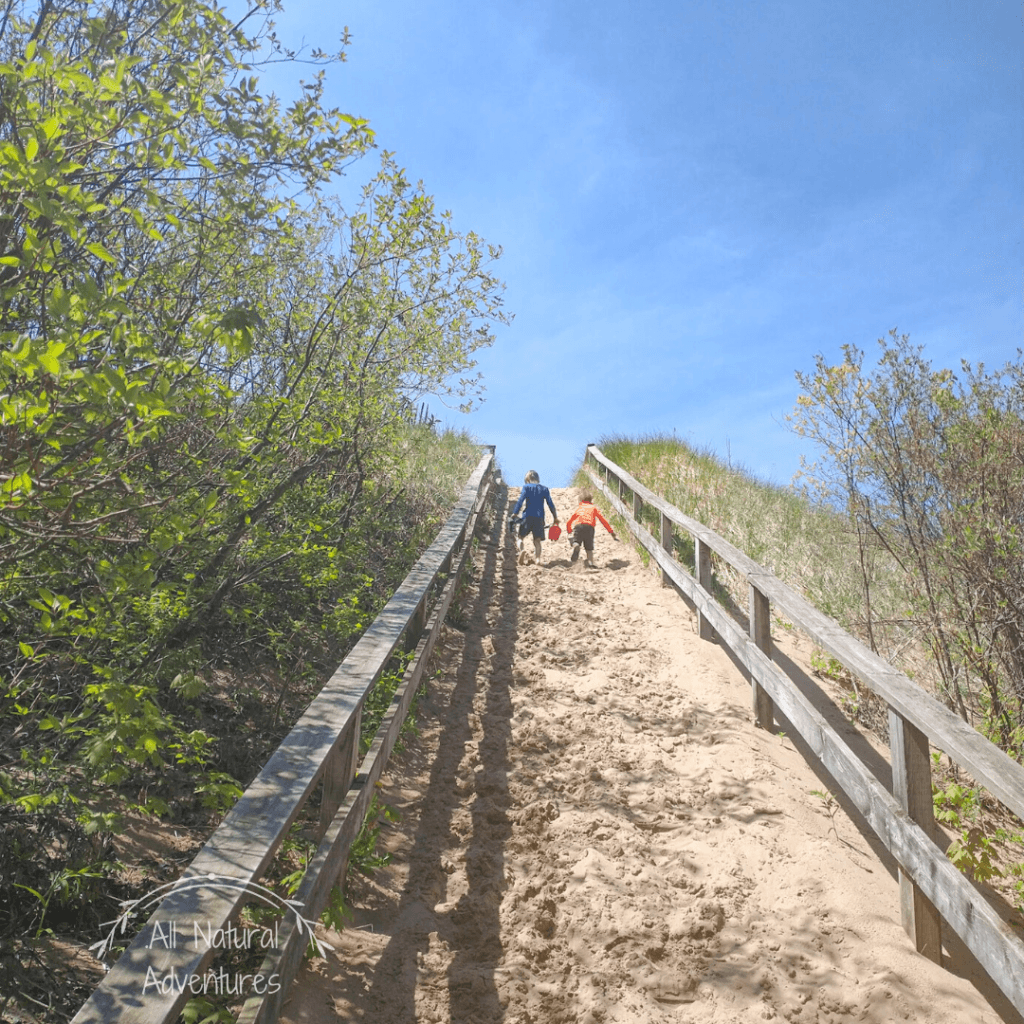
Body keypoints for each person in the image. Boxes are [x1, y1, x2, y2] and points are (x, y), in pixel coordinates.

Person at [510, 470, 559, 566]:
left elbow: (520, 500)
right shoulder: (544, 489)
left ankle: (522, 550)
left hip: (527, 516)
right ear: (537, 479)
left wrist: (515, 513)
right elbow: (550, 504)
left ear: (528, 479)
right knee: (537, 541)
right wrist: (555, 517)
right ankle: (537, 559)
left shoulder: (526, 487)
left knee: (520, 537)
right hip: (539, 518)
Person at [564, 491, 616, 568]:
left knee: (576, 541)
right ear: (591, 500)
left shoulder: (579, 509)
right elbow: (603, 520)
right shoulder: (593, 508)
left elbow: (569, 522)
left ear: (580, 500)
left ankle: (576, 545)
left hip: (579, 526)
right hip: (589, 528)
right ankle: (590, 563)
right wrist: (611, 531)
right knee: (589, 548)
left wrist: (569, 530)